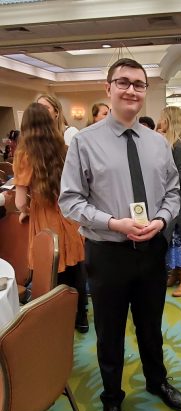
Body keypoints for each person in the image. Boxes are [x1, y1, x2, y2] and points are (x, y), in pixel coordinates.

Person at [59, 58, 181, 411]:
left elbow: (173, 192)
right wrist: (113, 222)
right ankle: (112, 398)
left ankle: (156, 381)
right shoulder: (85, 142)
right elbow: (70, 201)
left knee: (151, 324)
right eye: (123, 82)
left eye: (138, 84)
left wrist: (162, 220)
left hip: (152, 251)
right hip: (108, 252)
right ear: (108, 88)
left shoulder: (158, 144)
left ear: (145, 92)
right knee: (110, 331)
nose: (131, 90)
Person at [13, 102, 88, 332]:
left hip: (45, 218)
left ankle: (58, 319)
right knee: (75, 266)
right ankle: (81, 317)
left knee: (52, 269)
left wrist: (24, 211)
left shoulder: (24, 155)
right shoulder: (64, 148)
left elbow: (18, 201)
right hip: (69, 216)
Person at [159, 106, 181, 297]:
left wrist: (162, 180)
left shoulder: (178, 146)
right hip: (174, 200)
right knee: (172, 239)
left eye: (163, 119)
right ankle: (175, 273)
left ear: (170, 121)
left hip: (180, 202)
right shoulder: (171, 143)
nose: (160, 122)